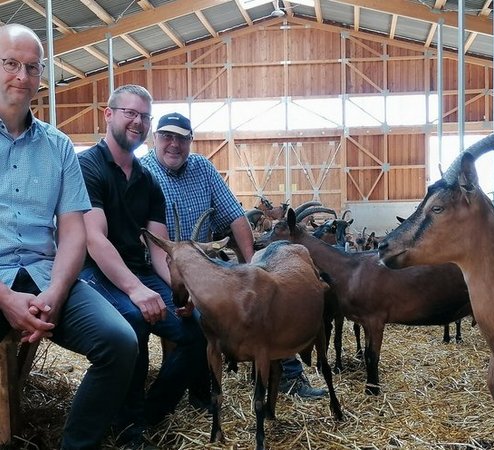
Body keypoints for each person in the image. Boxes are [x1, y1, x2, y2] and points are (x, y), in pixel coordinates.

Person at [0, 24, 139, 450]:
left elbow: (74, 231)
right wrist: (3, 297)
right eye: (10, 63)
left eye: (32, 67)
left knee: (120, 342)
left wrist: (56, 294)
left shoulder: (59, 146)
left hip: (47, 274)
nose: (22, 76)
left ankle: (76, 444)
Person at [140, 112, 326, 399]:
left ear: (191, 141)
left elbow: (236, 217)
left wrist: (255, 263)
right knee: (204, 317)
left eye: (182, 138)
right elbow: (153, 245)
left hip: (208, 261)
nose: (174, 144)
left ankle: (288, 374)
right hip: (163, 268)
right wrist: (190, 288)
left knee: (263, 301)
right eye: (167, 136)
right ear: (155, 138)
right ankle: (184, 393)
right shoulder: (143, 173)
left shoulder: (202, 167)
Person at [77, 86, 207, 447]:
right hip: (94, 272)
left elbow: (159, 246)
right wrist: (136, 290)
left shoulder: (147, 180)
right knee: (133, 322)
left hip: (138, 271)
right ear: (109, 114)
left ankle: (149, 412)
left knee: (195, 329)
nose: (138, 122)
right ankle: (128, 428)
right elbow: (94, 240)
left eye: (144, 117)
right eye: (130, 113)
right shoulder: (88, 167)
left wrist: (182, 289)